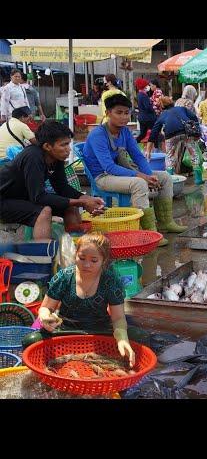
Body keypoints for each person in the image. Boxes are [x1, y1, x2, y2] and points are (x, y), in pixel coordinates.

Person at [21, 232, 140, 364]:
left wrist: (122, 338)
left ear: (104, 260)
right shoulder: (64, 277)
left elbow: (118, 318)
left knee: (140, 337)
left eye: (94, 260)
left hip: (99, 330)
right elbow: (45, 308)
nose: (86, 264)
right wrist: (45, 317)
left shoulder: (111, 281)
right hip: (65, 329)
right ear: (75, 255)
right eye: (82, 258)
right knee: (30, 341)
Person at [83, 94, 185, 244]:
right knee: (139, 183)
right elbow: (109, 167)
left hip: (117, 173)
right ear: (108, 113)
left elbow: (138, 157)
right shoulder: (98, 135)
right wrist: (141, 177)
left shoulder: (124, 131)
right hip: (102, 177)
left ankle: (165, 222)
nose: (124, 117)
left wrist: (150, 176)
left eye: (127, 113)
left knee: (164, 177)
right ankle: (148, 232)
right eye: (119, 112)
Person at [0, 120, 104, 239]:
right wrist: (82, 202)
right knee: (44, 211)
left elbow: (62, 188)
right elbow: (38, 197)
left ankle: (75, 246)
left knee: (70, 206)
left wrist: (87, 199)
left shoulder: (56, 158)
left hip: (21, 199)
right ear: (47, 146)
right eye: (63, 145)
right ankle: (43, 255)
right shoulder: (33, 157)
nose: (68, 150)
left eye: (68, 144)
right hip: (4, 200)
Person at [149, 96, 202, 182]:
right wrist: (197, 130)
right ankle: (198, 179)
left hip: (171, 135)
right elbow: (194, 117)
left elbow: (154, 131)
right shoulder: (182, 109)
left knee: (169, 156)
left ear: (162, 107)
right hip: (186, 133)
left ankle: (170, 178)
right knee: (193, 153)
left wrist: (148, 148)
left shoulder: (163, 115)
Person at [135, 78, 156, 145]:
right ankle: (155, 147)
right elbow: (148, 107)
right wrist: (153, 108)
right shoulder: (144, 95)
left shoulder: (139, 94)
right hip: (148, 118)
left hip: (141, 117)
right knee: (156, 131)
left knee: (143, 134)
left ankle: (134, 144)